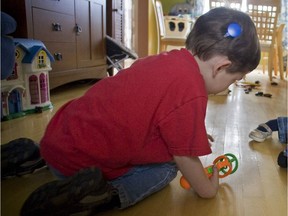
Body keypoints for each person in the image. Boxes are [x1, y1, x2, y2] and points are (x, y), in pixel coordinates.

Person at [20, 7, 260, 216]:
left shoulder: (165, 59)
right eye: (233, 80)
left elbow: (151, 111)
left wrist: (190, 131)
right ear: (221, 67)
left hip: (57, 140)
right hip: (77, 167)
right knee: (167, 169)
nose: (227, 87)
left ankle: (30, 155)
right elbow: (185, 157)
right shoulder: (192, 90)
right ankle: (102, 195)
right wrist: (207, 190)